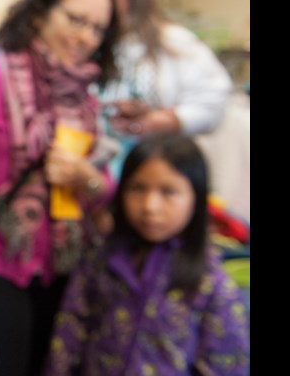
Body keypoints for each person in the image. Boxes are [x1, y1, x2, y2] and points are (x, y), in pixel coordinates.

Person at [0, 0, 122, 376]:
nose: (86, 37)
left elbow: (104, 188)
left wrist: (84, 177)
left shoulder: (86, 98)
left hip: (64, 269)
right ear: (40, 13)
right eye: (76, 20)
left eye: (98, 29)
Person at [43, 133, 250, 375]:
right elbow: (67, 340)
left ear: (196, 197)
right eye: (137, 188)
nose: (150, 206)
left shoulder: (210, 283)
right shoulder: (99, 262)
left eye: (168, 192)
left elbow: (227, 365)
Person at [90, 0, 233, 179]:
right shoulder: (91, 43)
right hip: (100, 171)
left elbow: (213, 100)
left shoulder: (174, 41)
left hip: (161, 166)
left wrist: (157, 122)